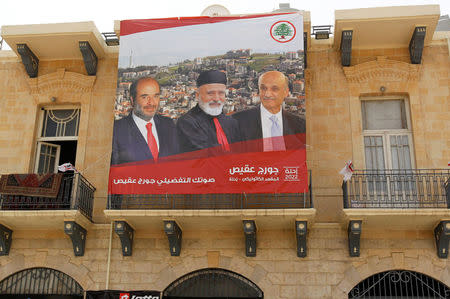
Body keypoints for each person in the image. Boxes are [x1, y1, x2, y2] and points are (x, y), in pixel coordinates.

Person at [232, 70, 306, 151]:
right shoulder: (237, 122)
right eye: (263, 88)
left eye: (274, 89)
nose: (267, 94)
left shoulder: (299, 125)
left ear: (286, 92)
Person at [111, 77, 178, 165]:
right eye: (145, 97)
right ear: (132, 100)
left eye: (155, 96)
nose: (151, 103)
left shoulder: (168, 124)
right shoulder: (116, 130)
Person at [176, 70, 241, 153]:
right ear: (197, 95)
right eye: (210, 93)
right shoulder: (187, 123)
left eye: (221, 93)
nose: (216, 99)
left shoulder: (232, 123)